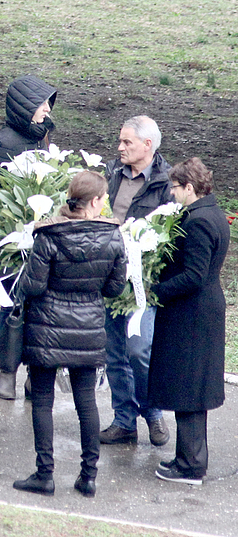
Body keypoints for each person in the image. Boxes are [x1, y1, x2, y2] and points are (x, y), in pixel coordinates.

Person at [12, 171, 127, 498]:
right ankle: (88, 476)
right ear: (94, 202)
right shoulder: (113, 237)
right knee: (86, 402)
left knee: (43, 401)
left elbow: (33, 285)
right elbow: (116, 288)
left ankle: (44, 474)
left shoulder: (49, 235)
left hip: (46, 328)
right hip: (88, 327)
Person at [149, 158, 229, 485]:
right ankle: (189, 457)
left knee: (189, 388)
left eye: (175, 187)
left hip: (192, 314)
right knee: (193, 386)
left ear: (190, 188)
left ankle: (191, 464)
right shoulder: (214, 214)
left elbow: (194, 276)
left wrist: (156, 291)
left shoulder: (197, 222)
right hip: (202, 310)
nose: (171, 192)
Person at [0, 74, 57, 400]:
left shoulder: (42, 138)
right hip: (13, 242)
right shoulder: (6, 144)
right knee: (12, 307)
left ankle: (33, 375)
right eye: (41, 106)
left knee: (42, 309)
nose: (46, 112)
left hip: (42, 240)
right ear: (25, 108)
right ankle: (7, 372)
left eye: (48, 106)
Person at [100, 115, 172, 447]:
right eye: (120, 141)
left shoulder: (165, 182)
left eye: (127, 142)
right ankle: (123, 421)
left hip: (144, 283)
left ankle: (153, 412)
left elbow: (170, 233)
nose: (120, 148)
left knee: (139, 350)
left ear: (148, 145)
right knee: (114, 352)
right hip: (110, 274)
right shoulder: (112, 173)